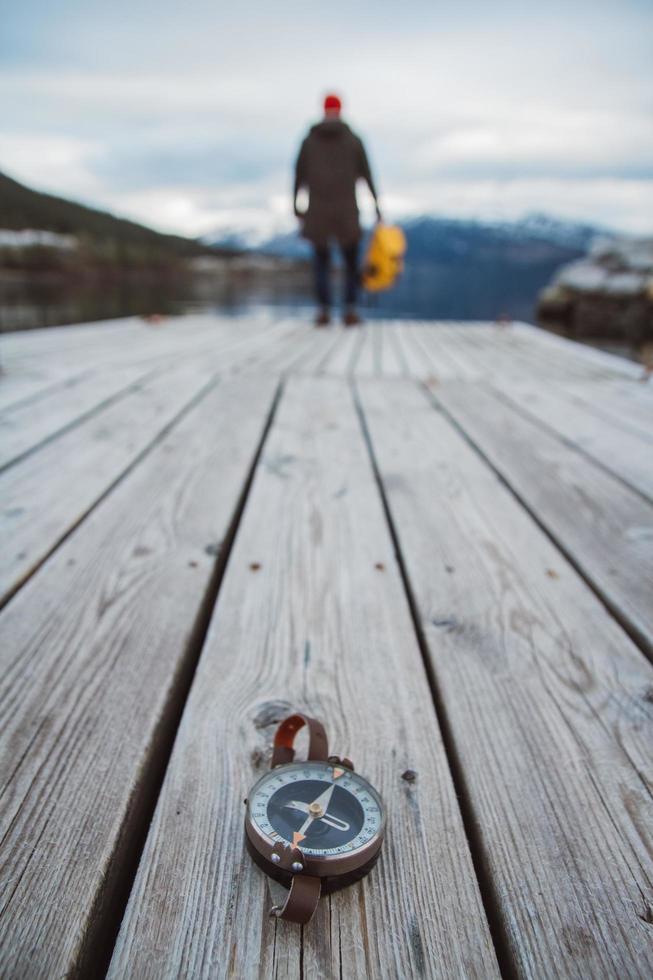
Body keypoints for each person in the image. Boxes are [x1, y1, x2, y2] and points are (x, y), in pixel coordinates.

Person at [294, 93, 382, 326]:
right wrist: (376, 206)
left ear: (323, 110)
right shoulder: (353, 140)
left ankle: (324, 310)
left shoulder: (310, 140)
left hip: (318, 212)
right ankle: (349, 310)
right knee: (350, 262)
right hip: (346, 212)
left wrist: (296, 204)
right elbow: (367, 174)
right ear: (340, 110)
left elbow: (298, 175)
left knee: (322, 262)